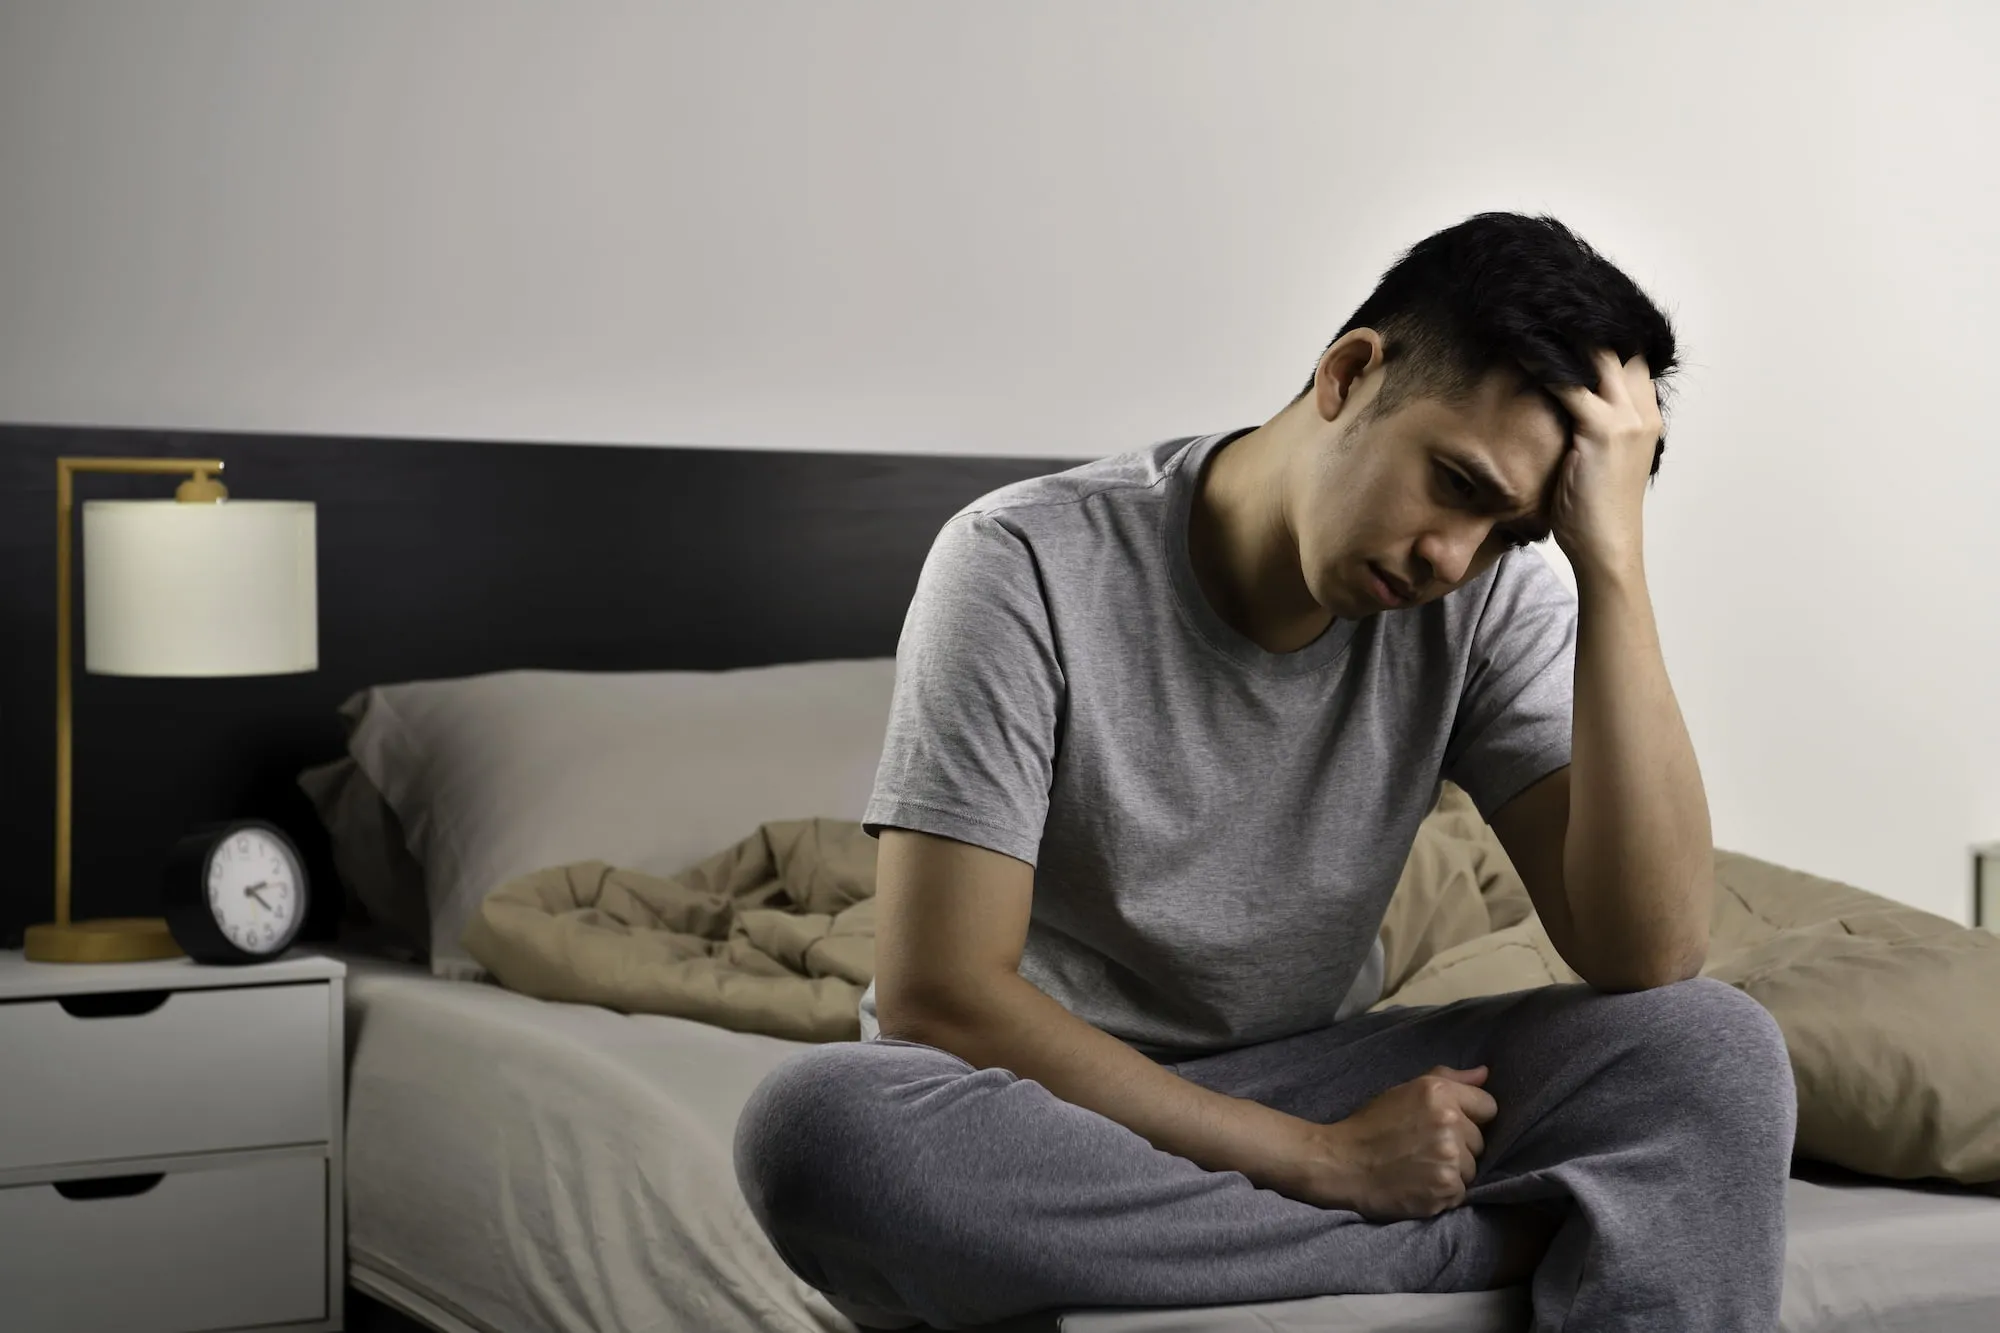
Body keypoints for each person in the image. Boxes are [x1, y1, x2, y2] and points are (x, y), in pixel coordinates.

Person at [733, 212, 1796, 1332]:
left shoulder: (1484, 601)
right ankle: (1457, 1248)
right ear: (1348, 373)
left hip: (1311, 1067)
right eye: (1453, 482)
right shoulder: (1021, 562)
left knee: (1710, 1047)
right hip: (1037, 1106)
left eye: (1508, 533)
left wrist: (1611, 562)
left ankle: (1234, 1243)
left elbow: (1647, 951)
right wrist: (1324, 1160)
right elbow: (941, 997)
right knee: (821, 1127)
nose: (1451, 557)